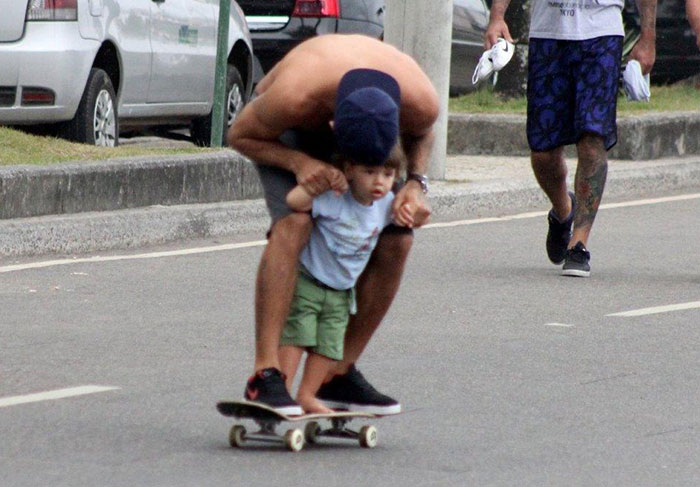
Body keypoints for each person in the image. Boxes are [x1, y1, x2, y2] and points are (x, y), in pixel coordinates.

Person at [228, 35, 439, 415]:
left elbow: (422, 133)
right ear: (332, 125)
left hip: (364, 132)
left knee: (398, 238)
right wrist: (299, 164)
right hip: (281, 134)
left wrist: (414, 183)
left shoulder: (419, 99)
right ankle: (265, 373)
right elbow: (239, 135)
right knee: (294, 223)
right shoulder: (296, 96)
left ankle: (336, 372)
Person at [485, 0, 656, 277]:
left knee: (592, 136)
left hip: (603, 34)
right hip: (549, 35)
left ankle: (579, 243)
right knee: (543, 151)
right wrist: (497, 16)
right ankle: (564, 208)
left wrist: (648, 37)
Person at [279, 147, 407, 414]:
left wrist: (414, 209)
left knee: (329, 347)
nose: (379, 182)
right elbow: (294, 201)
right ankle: (283, 393)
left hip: (341, 293)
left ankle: (307, 395)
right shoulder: (336, 197)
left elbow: (413, 215)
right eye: (369, 172)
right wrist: (319, 184)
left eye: (387, 174)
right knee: (297, 337)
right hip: (309, 283)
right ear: (349, 170)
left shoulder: (385, 205)